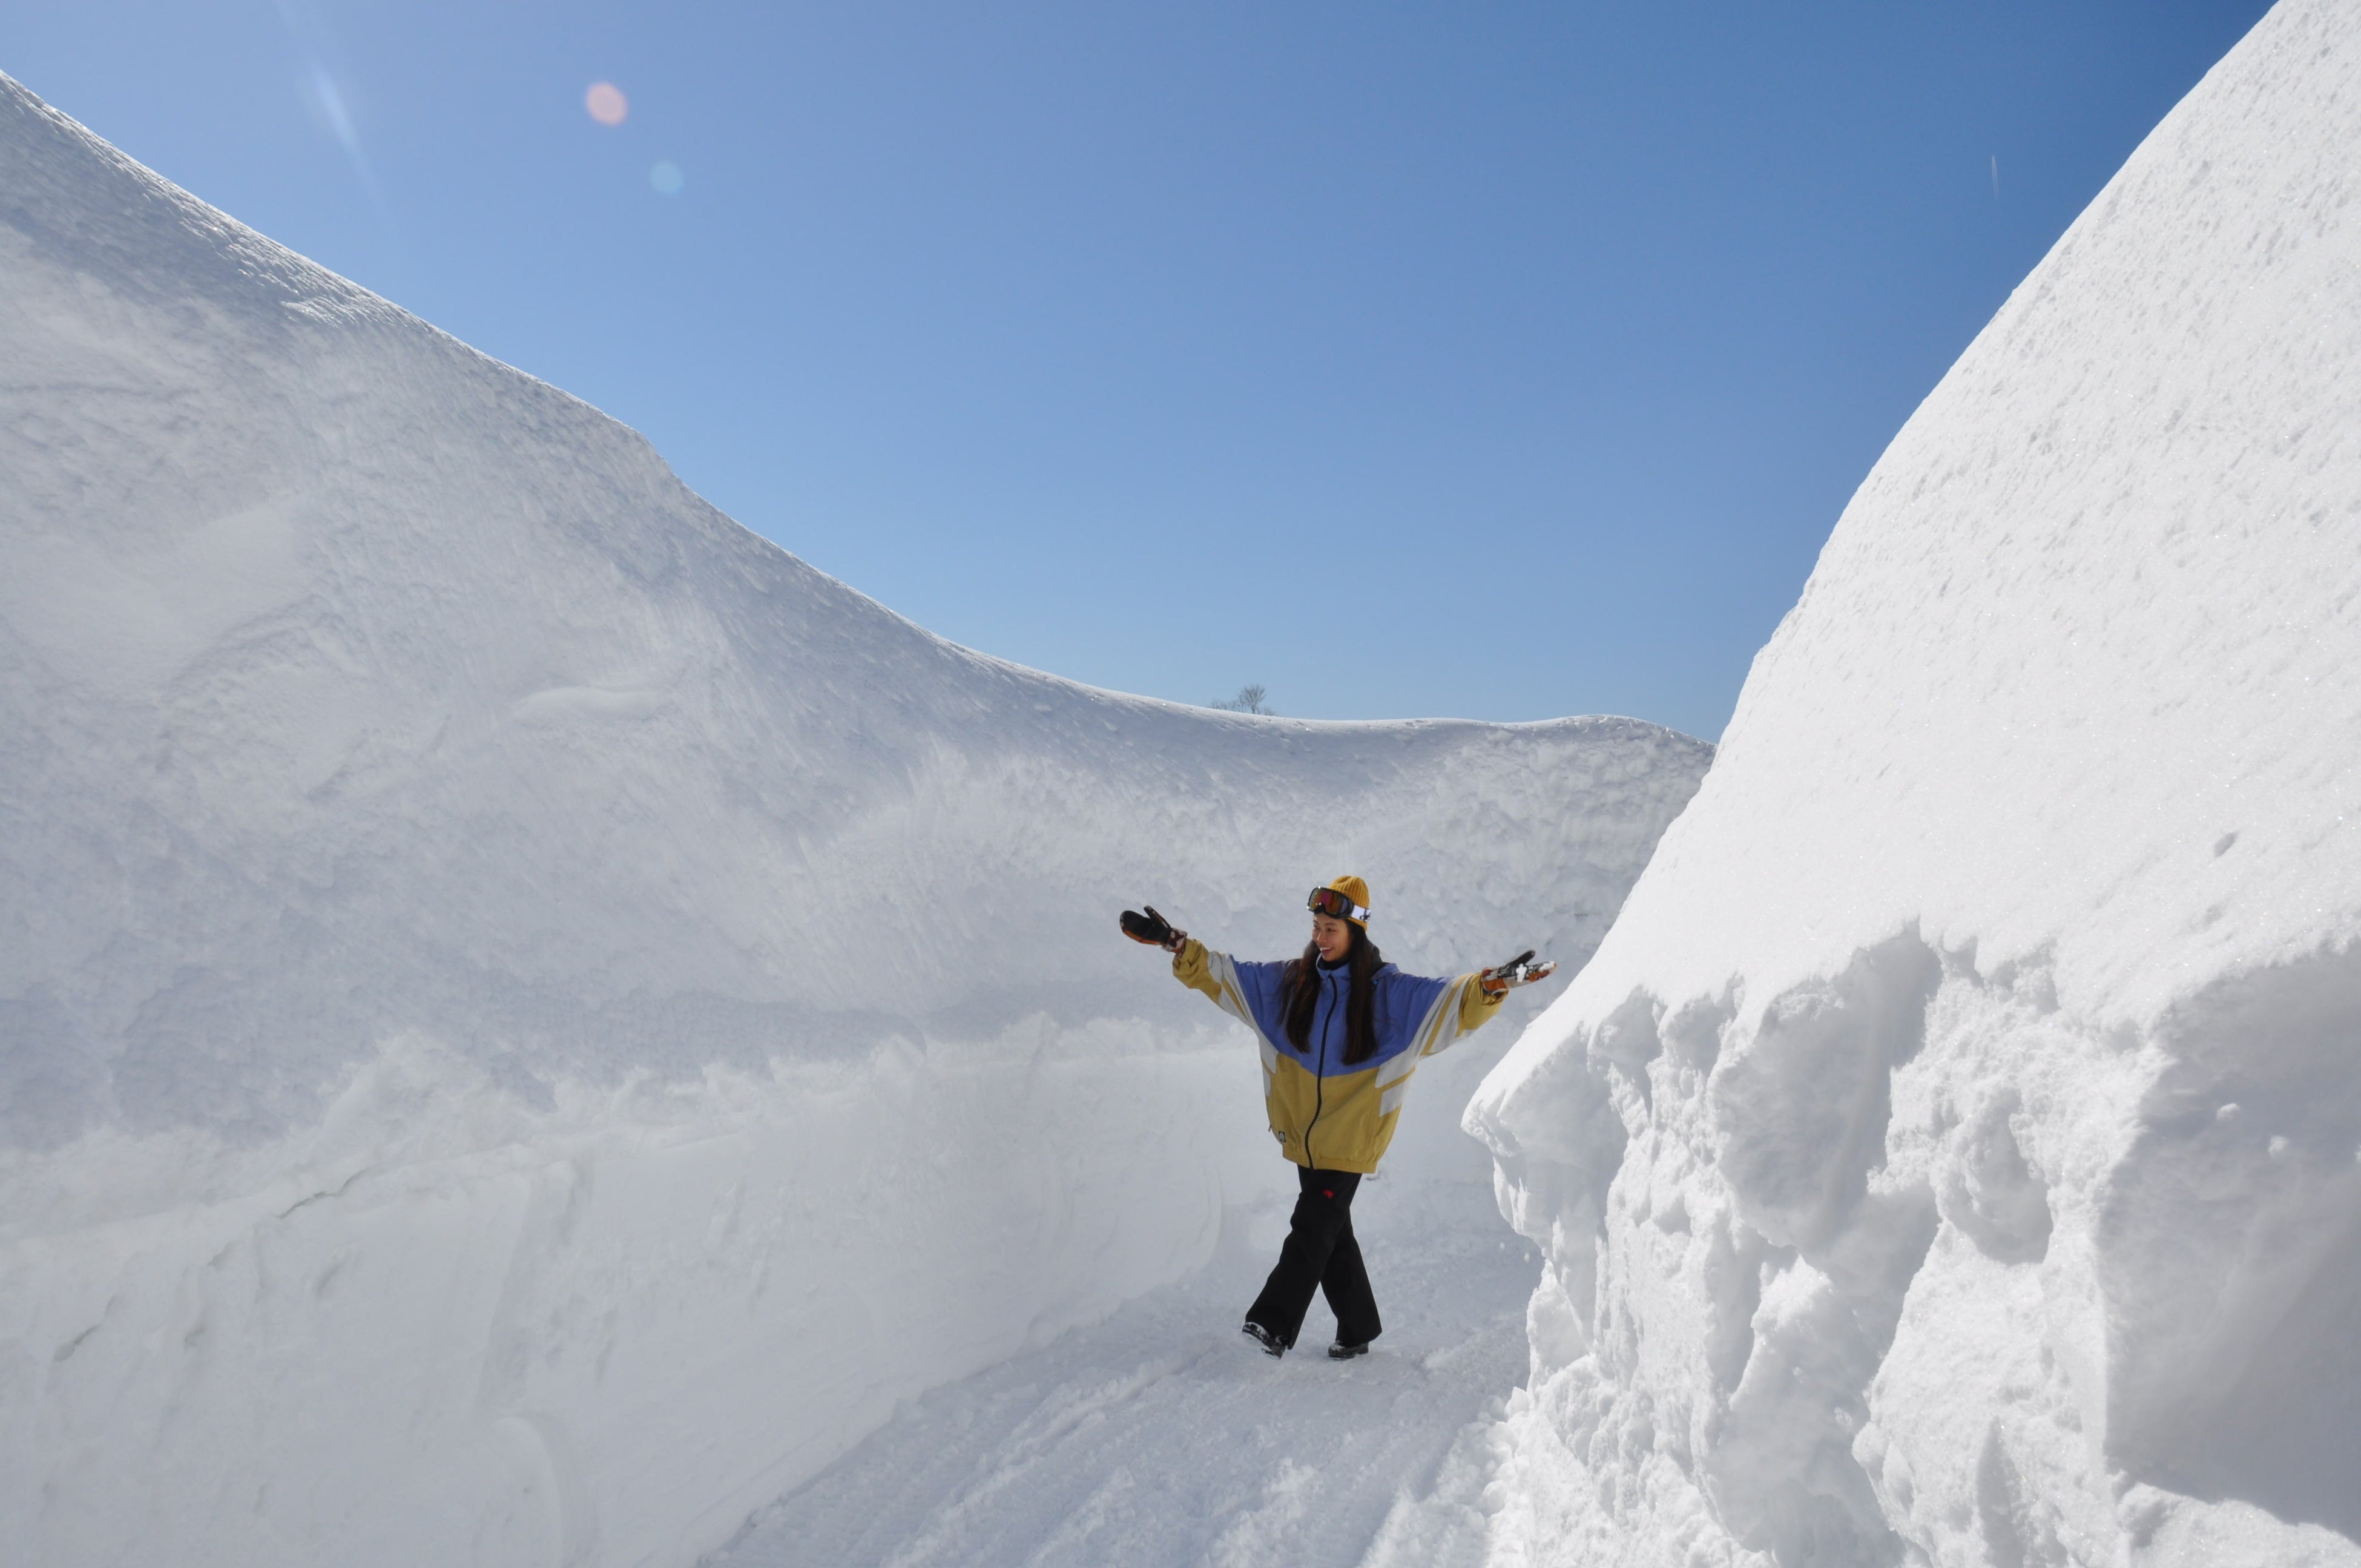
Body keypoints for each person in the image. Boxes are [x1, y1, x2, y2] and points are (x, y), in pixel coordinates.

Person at [1119, 876, 1552, 1361]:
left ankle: (1271, 1324)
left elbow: (1450, 998)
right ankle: (1358, 1326)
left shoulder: (1389, 994)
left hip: (1352, 1138)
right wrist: (1178, 945)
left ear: (1356, 932)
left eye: (1332, 929)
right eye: (1317, 927)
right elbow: (1229, 975)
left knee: (1312, 1226)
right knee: (1331, 1231)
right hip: (1305, 1135)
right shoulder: (1291, 984)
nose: (1321, 938)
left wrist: (1491, 984)